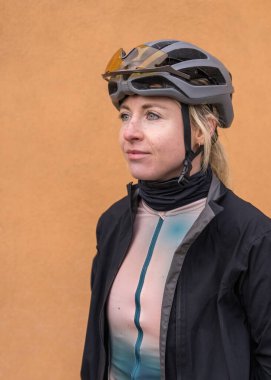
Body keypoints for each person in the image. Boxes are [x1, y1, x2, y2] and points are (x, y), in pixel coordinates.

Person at [81, 40, 271, 380]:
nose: (130, 132)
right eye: (126, 115)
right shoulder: (113, 223)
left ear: (202, 129)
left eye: (152, 115)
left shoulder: (250, 235)